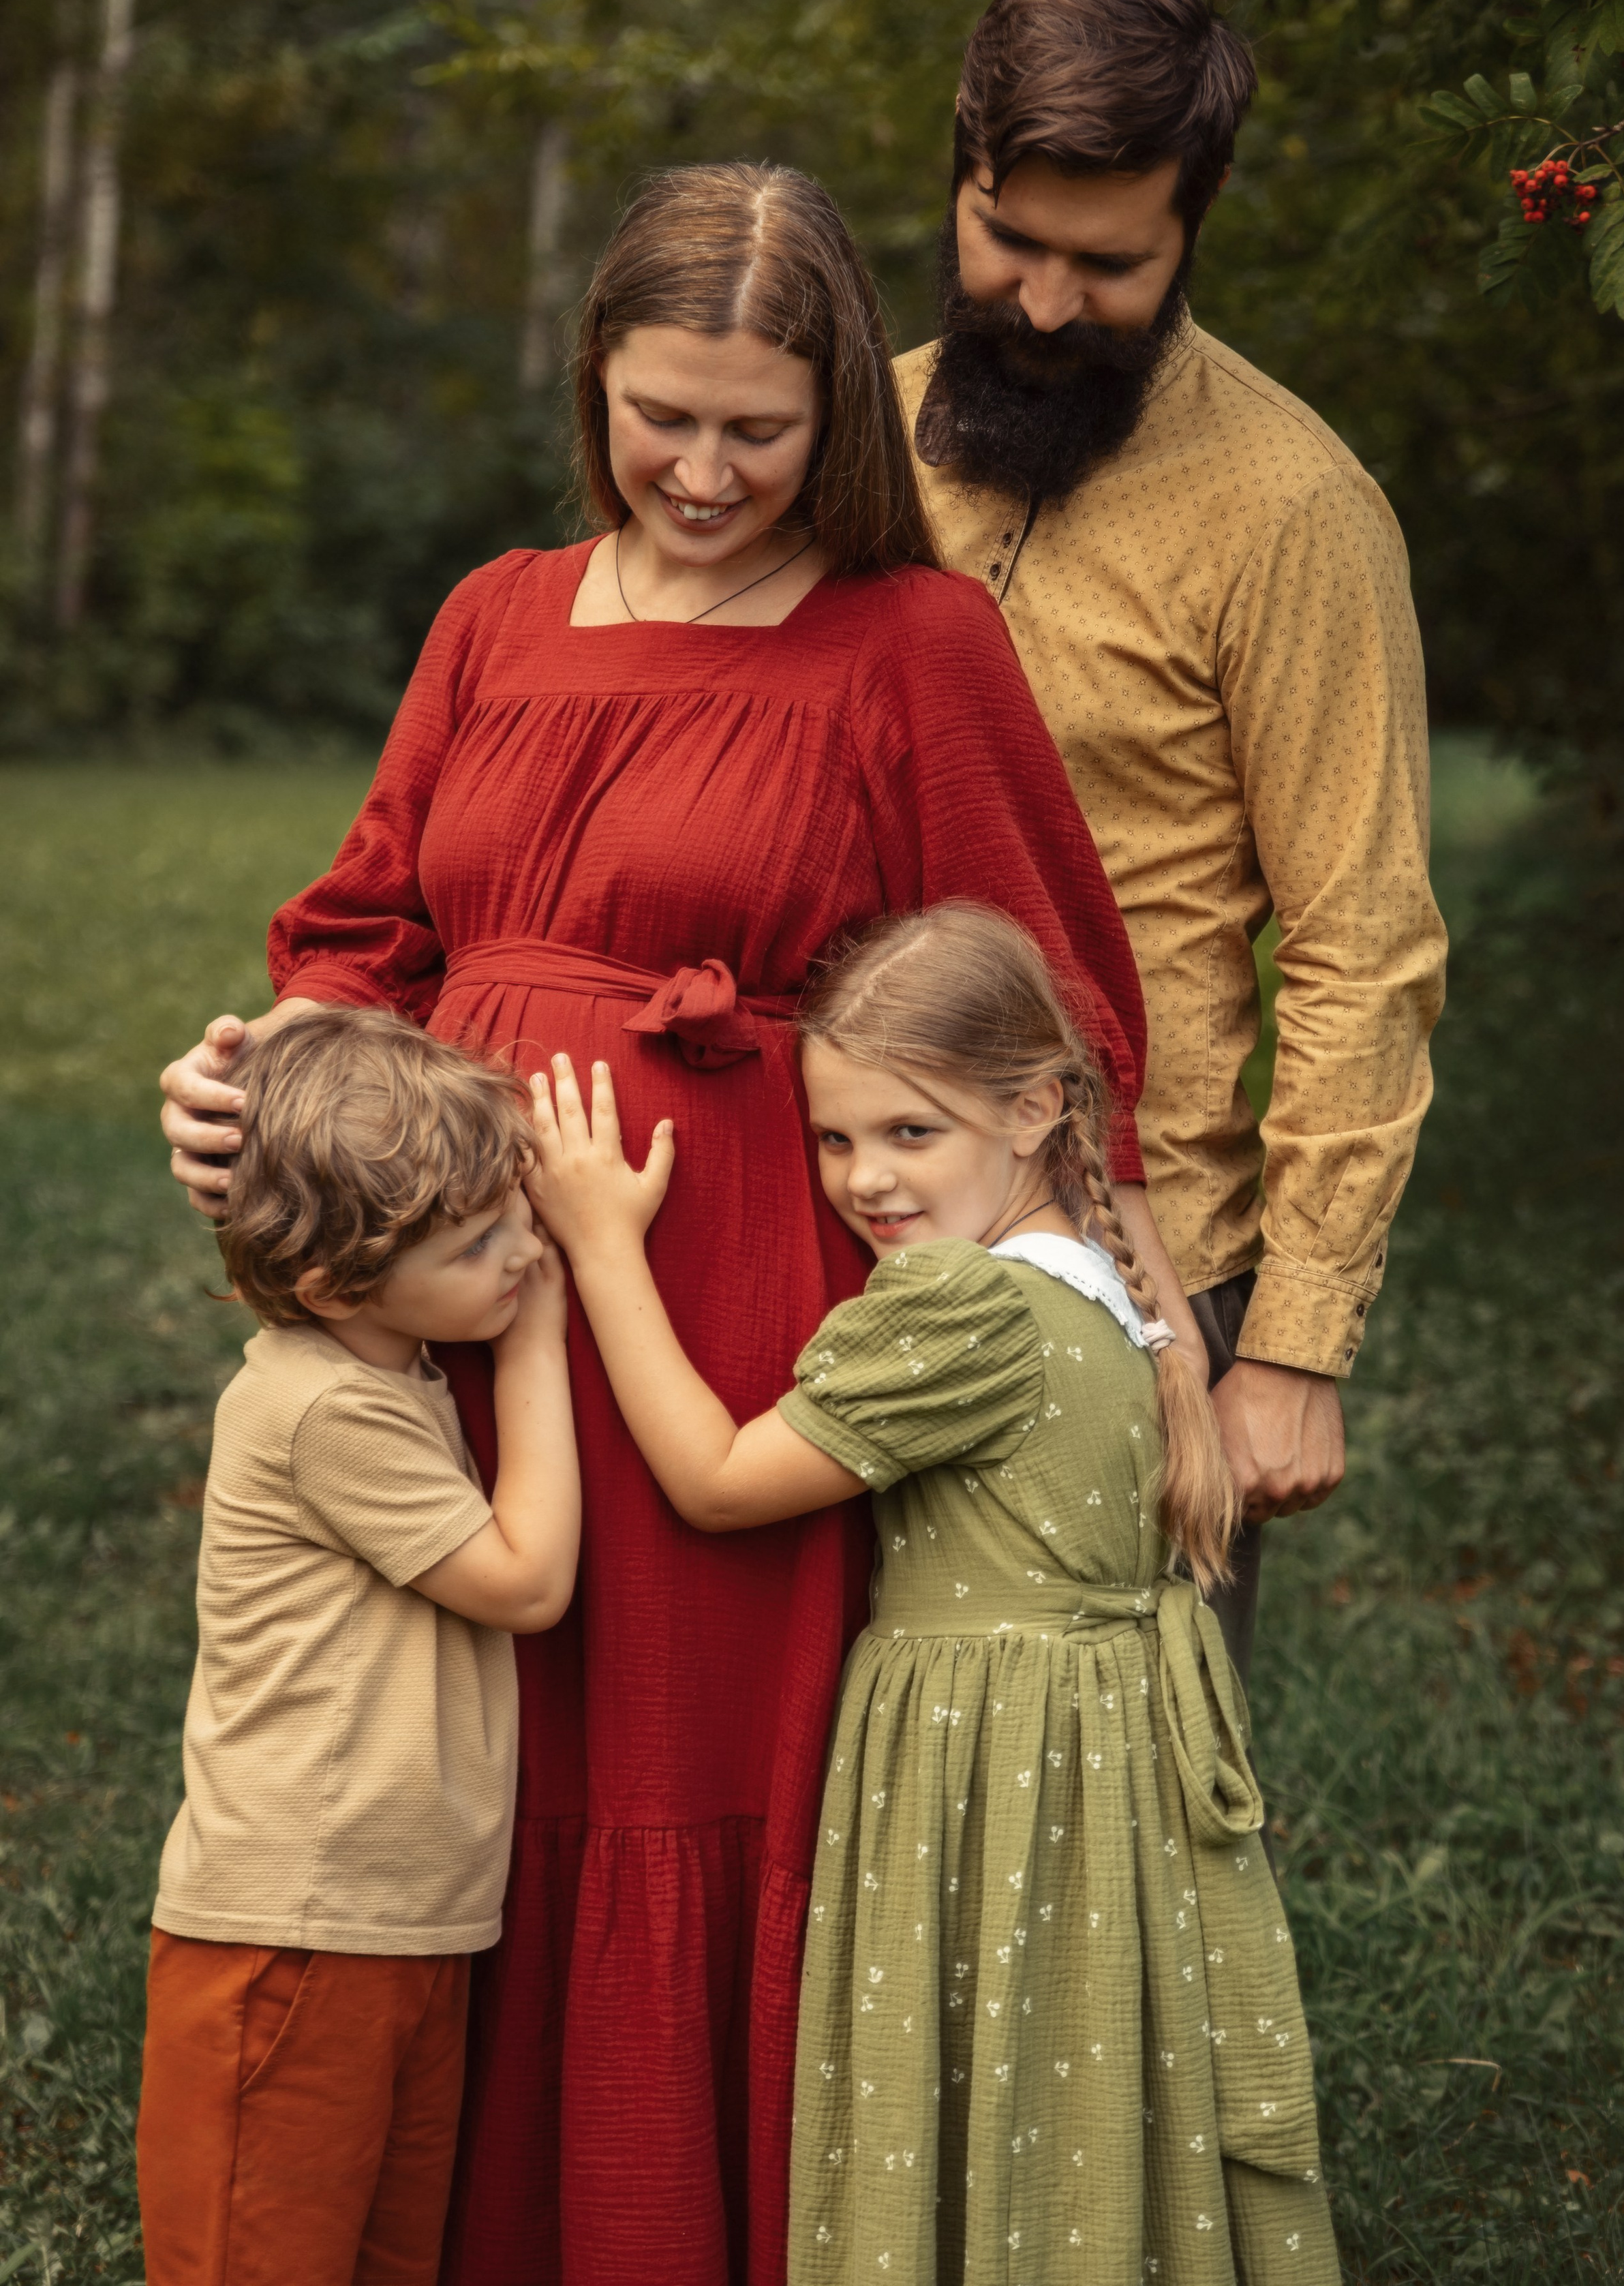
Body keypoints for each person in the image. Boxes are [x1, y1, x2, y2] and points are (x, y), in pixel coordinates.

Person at [155, 162, 1198, 2286]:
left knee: (674, 1772)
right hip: (459, 1286)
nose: (704, 471)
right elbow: (366, 934)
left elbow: (1057, 995)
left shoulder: (913, 640)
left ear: (839, 418)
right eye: (662, 416)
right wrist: (261, 1077)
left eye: (759, 427)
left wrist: (1156, 1315)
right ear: (592, 387)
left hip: (722, 1291)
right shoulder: (497, 618)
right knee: (467, 1754)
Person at [523, 902, 1338, 2286]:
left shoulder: (961, 1307)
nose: (862, 1180)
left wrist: (601, 1250)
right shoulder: (1097, 1275)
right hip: (1095, 1752)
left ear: (1033, 1109)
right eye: (835, 1138)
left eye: (910, 1134)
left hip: (993, 1764)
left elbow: (718, 1479)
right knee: (1071, 2061)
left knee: (981, 2060)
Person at [895, 0, 1449, 1688]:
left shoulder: (1292, 507)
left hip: (1134, 1278)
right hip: (811, 1234)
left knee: (1113, 1830)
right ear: (958, 171)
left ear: (1193, 226)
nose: (1045, 305)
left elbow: (1361, 938)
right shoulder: (842, 436)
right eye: (1010, 240)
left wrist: (1290, 1343)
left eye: (1108, 262)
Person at [136, 1008, 577, 2286]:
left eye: (513, 1213)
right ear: (334, 1288)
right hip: (294, 1933)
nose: (522, 1251)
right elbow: (527, 1580)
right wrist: (541, 1343)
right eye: (477, 1242)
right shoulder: (321, 1403)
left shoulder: (396, 1369)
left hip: (401, 1925)